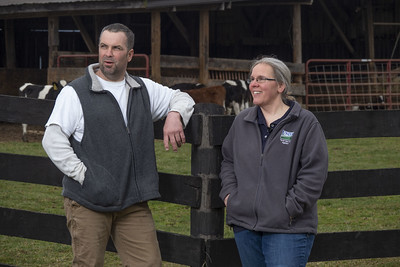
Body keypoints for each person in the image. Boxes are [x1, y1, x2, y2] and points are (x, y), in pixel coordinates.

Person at [42, 23, 195, 266]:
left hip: (132, 203)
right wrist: (84, 175)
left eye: (116, 48)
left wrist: (175, 114)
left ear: (130, 55)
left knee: (149, 263)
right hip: (89, 201)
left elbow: (182, 97)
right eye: (103, 46)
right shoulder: (75, 92)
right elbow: (52, 139)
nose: (108, 53)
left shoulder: (142, 89)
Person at [219, 56, 328, 267]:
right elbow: (228, 161)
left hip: (287, 228)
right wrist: (231, 197)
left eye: (261, 79)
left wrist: (289, 208)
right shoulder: (243, 121)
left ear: (280, 85)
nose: (253, 84)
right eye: (252, 79)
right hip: (246, 225)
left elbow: (314, 172)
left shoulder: (305, 123)